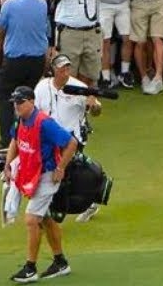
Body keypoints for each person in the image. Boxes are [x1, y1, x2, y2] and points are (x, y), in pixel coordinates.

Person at [3, 85, 77, 283]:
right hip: (31, 175)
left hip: (46, 176)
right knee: (45, 219)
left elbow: (71, 143)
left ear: (31, 101)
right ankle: (61, 262)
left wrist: (60, 168)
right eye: (15, 103)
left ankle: (30, 268)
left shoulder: (44, 123)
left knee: (31, 220)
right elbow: (14, 141)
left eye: (20, 102)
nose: (16, 106)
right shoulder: (20, 121)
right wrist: (8, 165)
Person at [34, 54, 104, 222]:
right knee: (49, 174)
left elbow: (96, 111)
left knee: (67, 174)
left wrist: (94, 105)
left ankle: (89, 202)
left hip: (72, 138)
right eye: (61, 68)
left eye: (67, 68)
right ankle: (50, 208)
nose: (65, 72)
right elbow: (35, 111)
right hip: (48, 138)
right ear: (54, 70)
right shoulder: (42, 87)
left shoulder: (79, 87)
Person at [0, 0, 53, 148]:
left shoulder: (10, 5)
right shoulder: (42, 4)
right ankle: (28, 137)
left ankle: (7, 140)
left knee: (5, 97)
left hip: (15, 59)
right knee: (29, 98)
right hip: (36, 60)